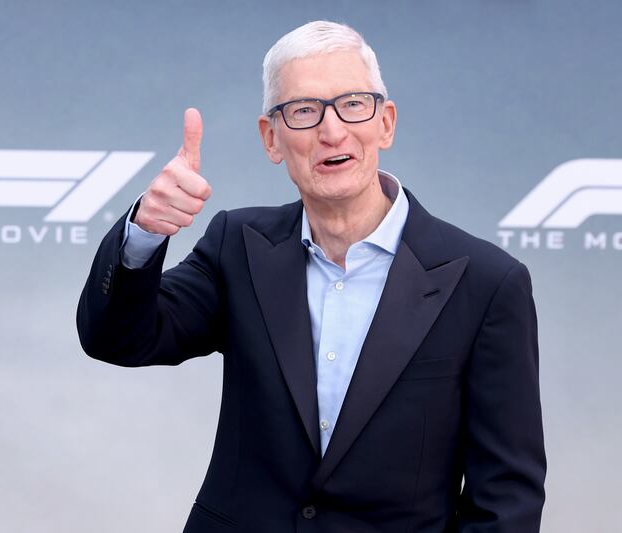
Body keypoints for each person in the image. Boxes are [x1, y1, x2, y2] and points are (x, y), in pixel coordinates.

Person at [77, 20, 546, 532]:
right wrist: (144, 231)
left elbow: (506, 499)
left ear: (385, 123)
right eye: (303, 110)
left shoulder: (486, 282)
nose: (332, 130)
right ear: (271, 138)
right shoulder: (238, 244)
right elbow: (120, 340)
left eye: (353, 104)